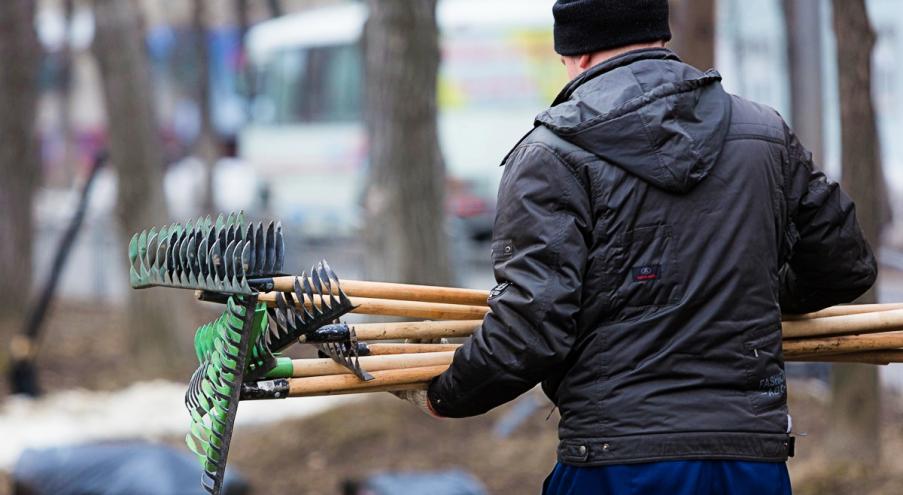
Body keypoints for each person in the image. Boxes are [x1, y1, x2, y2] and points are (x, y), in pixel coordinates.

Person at [394, 0, 878, 493]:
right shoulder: (766, 134)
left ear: (577, 55)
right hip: (750, 461)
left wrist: (446, 394)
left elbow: (532, 326)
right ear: (660, 38)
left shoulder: (552, 155)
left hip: (616, 462)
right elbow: (845, 265)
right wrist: (739, 291)